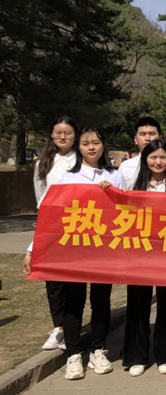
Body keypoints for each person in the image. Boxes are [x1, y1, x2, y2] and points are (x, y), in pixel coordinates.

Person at [53, 127, 121, 380]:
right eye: (85, 143)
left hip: (105, 249)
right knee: (74, 300)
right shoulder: (67, 177)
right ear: (78, 147)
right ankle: (73, 354)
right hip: (76, 249)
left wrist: (112, 194)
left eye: (96, 142)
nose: (91, 147)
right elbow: (54, 214)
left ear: (103, 145)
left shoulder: (115, 175)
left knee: (101, 299)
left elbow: (128, 208)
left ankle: (98, 350)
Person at [121, 140, 166, 377]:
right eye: (153, 157)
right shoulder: (134, 186)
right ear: (145, 160)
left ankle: (165, 355)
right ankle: (136, 356)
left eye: (163, 157)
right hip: (140, 254)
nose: (158, 162)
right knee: (137, 305)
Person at [28, 115, 79, 352]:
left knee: (73, 281)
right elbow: (40, 196)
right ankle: (58, 326)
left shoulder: (80, 160)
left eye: (68, 133)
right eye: (58, 132)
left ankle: (72, 328)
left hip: (77, 224)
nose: (63, 136)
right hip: (52, 225)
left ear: (75, 135)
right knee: (53, 280)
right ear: (51, 134)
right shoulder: (43, 163)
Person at [118, 116, 166, 189]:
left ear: (160, 138)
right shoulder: (125, 167)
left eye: (152, 134)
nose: (147, 138)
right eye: (143, 134)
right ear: (135, 139)